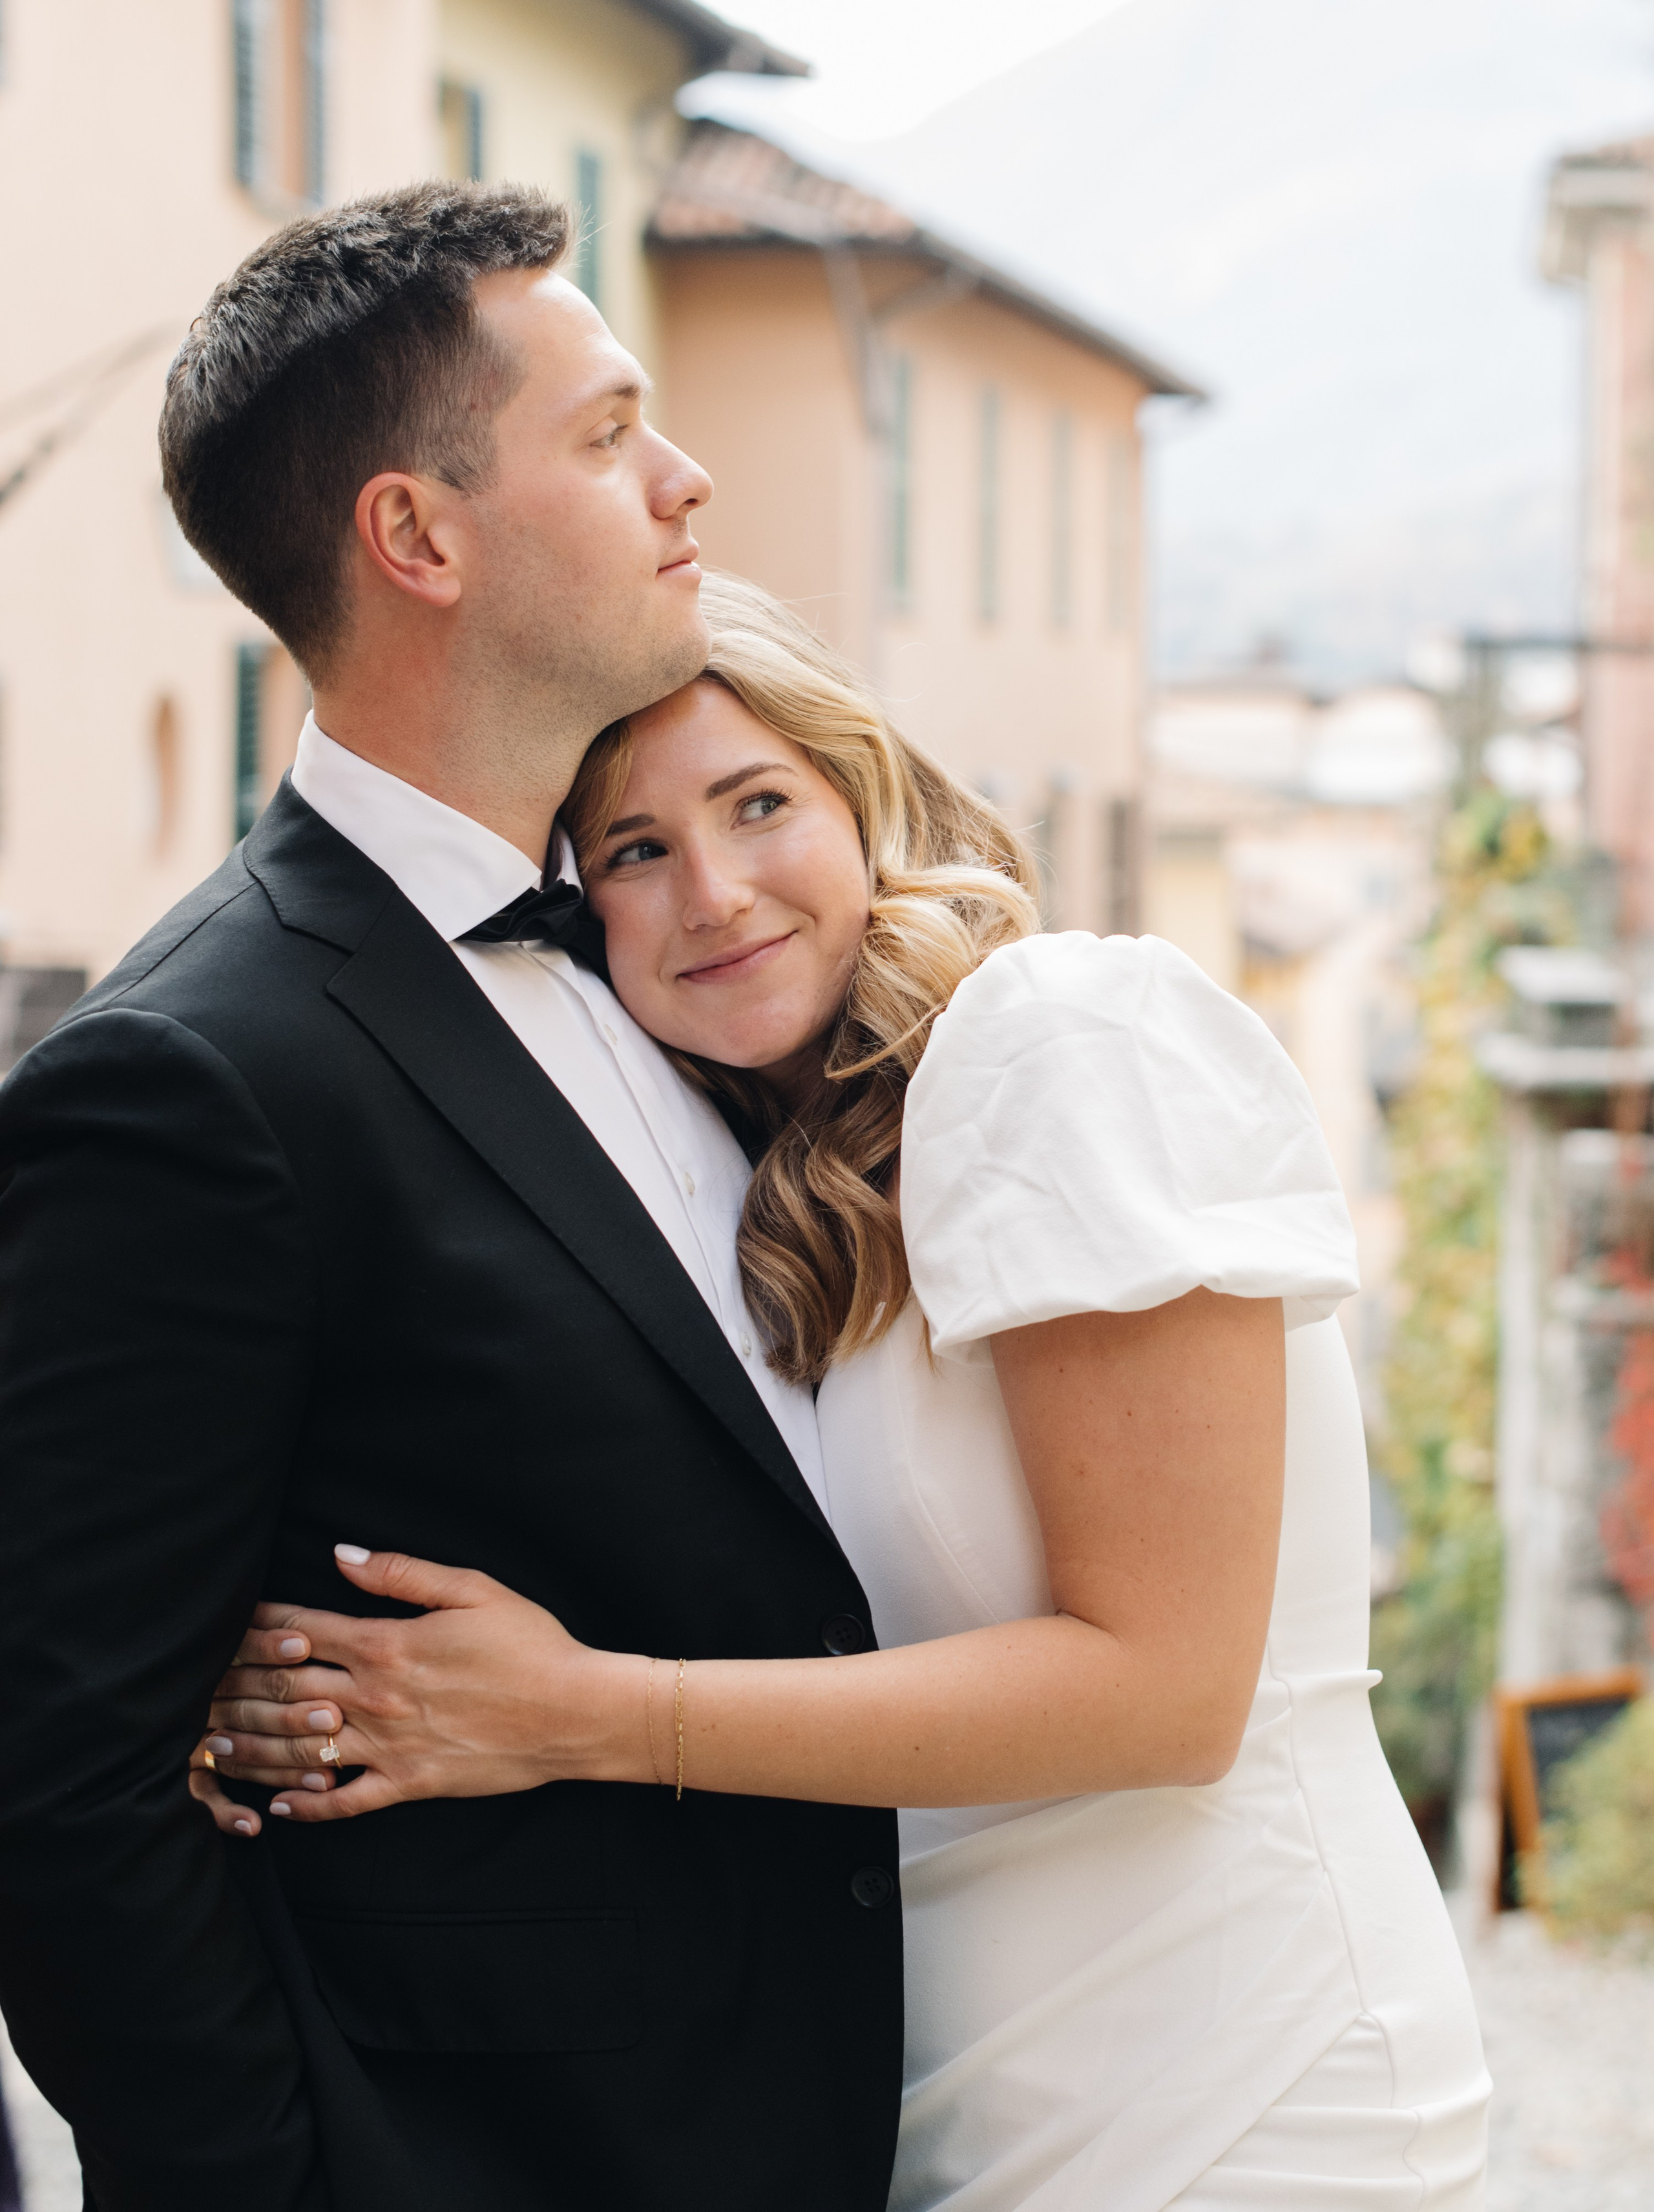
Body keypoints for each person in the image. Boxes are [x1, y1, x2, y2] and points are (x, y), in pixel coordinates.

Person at [202, 574, 1492, 2208]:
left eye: (758, 804)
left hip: (1236, 2073)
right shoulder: (784, 1196)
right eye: (634, 852)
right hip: (967, 2104)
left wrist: (578, 1712)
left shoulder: (1053, 1040)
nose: (715, 892)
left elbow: (1168, 1688)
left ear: (864, 795)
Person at [0, 191, 903, 2210]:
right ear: (420, 538)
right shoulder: (188, 1079)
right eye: (605, 435)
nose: (684, 480)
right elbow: (59, 1790)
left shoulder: (685, 956)